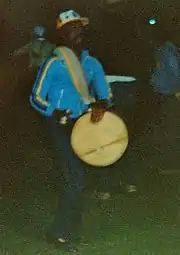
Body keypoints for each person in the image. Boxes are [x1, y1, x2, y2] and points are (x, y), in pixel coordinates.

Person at [29, 9, 136, 251]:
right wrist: (53, 111)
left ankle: (70, 233)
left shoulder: (92, 63)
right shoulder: (54, 63)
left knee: (78, 180)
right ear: (62, 35)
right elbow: (36, 96)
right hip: (59, 125)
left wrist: (101, 106)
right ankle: (59, 234)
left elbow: (106, 95)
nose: (76, 32)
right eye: (70, 29)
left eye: (79, 27)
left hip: (83, 127)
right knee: (74, 178)